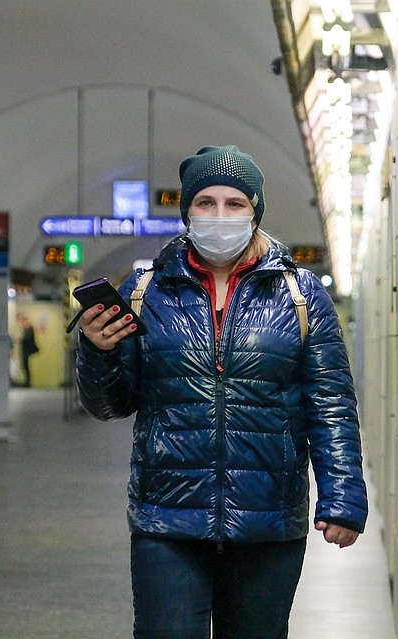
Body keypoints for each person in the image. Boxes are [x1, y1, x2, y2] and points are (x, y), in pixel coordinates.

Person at [74, 145, 368, 639]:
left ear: (255, 211)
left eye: (235, 204)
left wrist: (343, 497)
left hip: (268, 517)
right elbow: (109, 404)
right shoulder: (147, 291)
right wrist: (97, 351)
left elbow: (331, 402)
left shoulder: (300, 294)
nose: (219, 215)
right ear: (187, 209)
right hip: (166, 515)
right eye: (205, 202)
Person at [16, 313, 39, 387]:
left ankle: (28, 382)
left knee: (25, 365)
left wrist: (21, 340)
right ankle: (27, 381)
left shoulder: (28, 328)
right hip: (26, 349)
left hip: (27, 349)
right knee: (24, 365)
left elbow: (28, 339)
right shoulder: (26, 328)